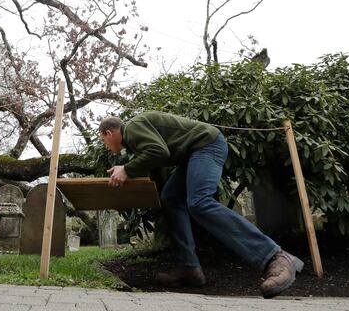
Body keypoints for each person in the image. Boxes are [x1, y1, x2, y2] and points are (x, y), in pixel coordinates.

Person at [98, 111, 303, 299]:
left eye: (104, 141)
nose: (106, 145)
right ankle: (189, 268)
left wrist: (126, 169)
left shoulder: (132, 128)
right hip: (194, 153)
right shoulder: (135, 141)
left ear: (109, 133)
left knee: (199, 202)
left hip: (207, 145)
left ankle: (276, 257)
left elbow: (158, 152)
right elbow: (157, 164)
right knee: (171, 198)